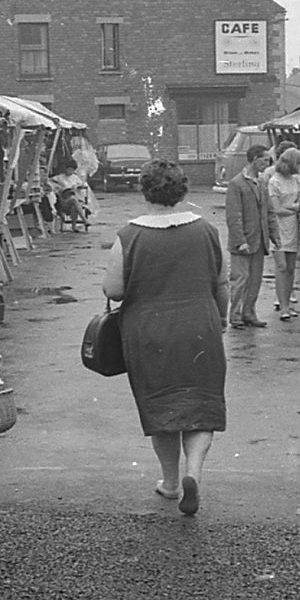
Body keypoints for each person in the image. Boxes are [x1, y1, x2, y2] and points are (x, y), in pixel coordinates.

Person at [101, 160, 227, 517]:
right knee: (200, 407)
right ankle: (194, 474)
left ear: (145, 192)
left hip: (149, 333)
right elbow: (221, 283)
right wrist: (222, 319)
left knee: (163, 408)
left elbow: (115, 288)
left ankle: (171, 483)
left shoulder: (129, 235)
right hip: (200, 326)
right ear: (183, 190)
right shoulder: (206, 230)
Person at [224, 143, 275, 328]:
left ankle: (249, 312)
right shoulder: (236, 184)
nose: (267, 163)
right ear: (254, 159)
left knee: (255, 280)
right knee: (240, 279)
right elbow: (233, 216)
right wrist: (240, 241)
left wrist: (274, 236)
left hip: (259, 241)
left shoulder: (261, 182)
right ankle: (235, 315)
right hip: (243, 243)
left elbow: (269, 211)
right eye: (264, 159)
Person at [265, 145, 300, 321]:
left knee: (290, 268)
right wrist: (295, 208)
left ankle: (288, 304)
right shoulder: (274, 181)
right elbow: (276, 209)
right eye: (298, 163)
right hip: (279, 228)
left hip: (293, 227)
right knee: (281, 267)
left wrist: (294, 206)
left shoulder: (296, 180)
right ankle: (282, 306)